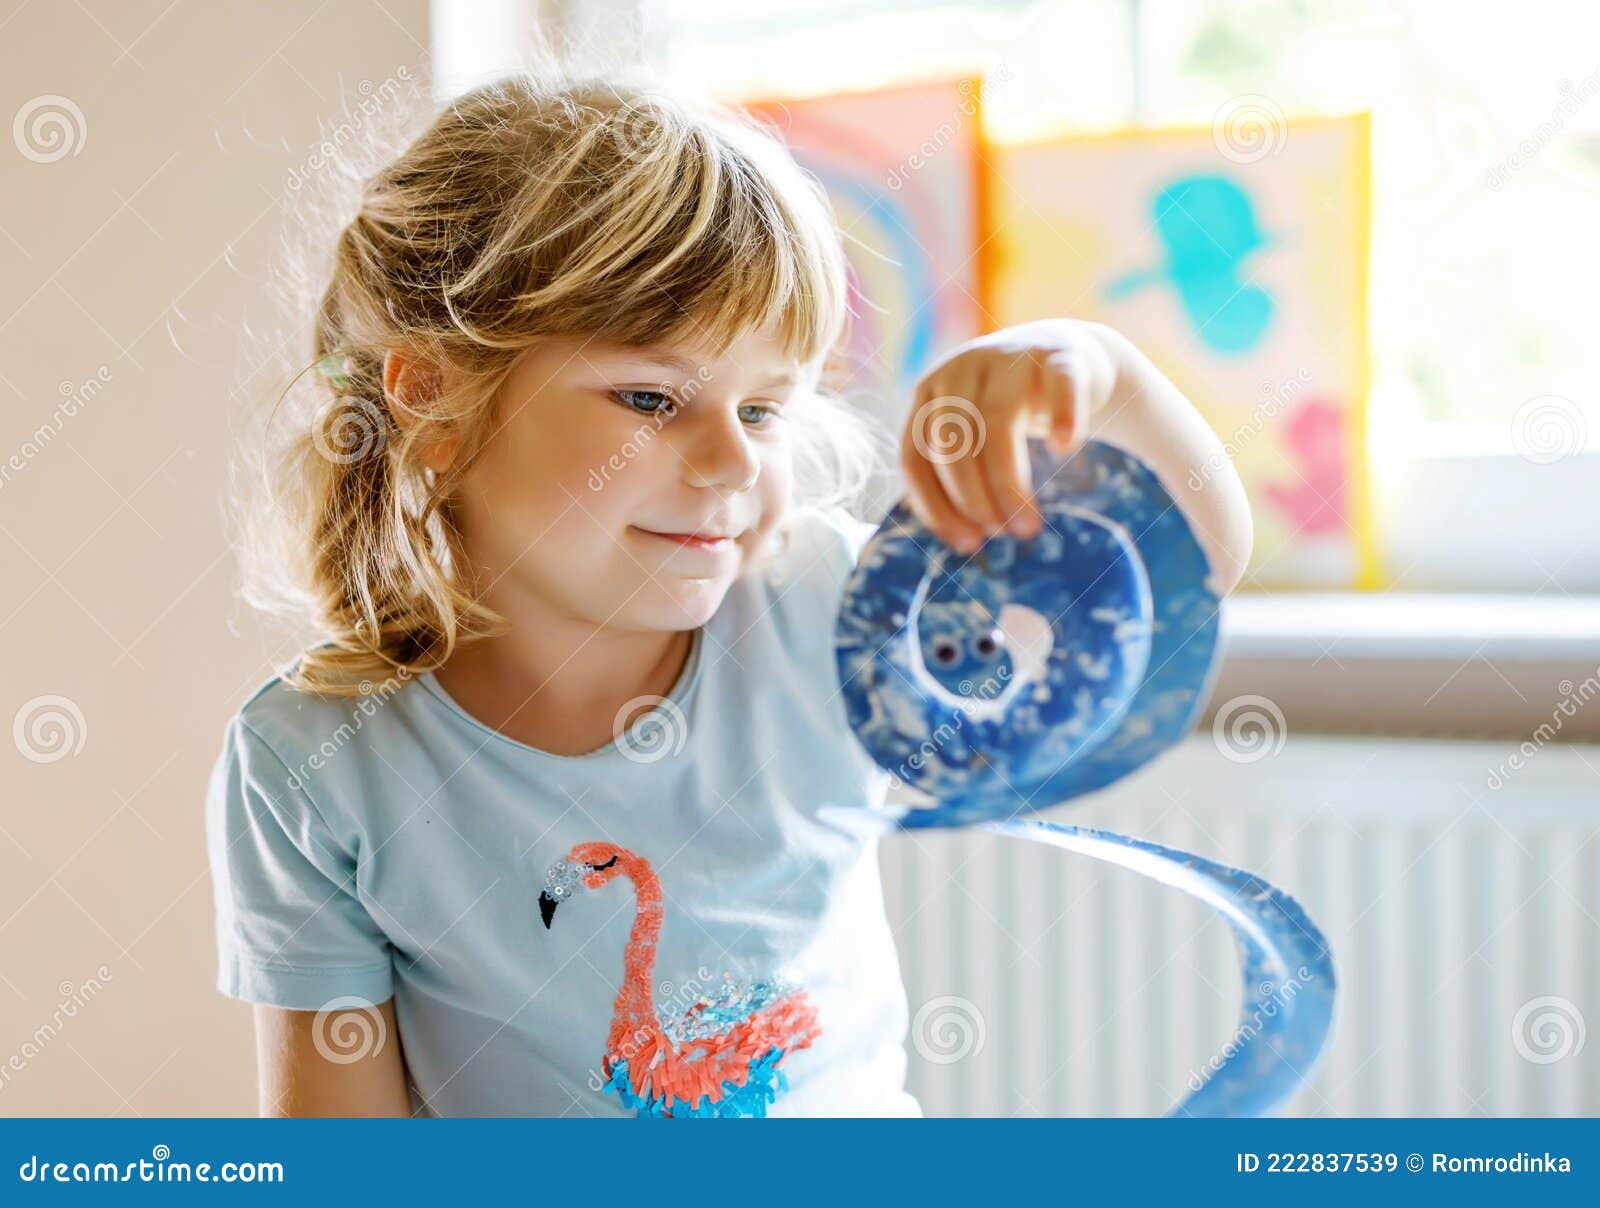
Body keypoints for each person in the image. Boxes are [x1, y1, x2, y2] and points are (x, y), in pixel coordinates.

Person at [205, 71, 1251, 1118]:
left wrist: (1100, 374)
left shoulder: (824, 607)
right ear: (430, 396)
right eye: (652, 398)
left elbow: (1192, 568)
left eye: (763, 409)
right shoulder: (314, 767)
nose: (728, 461)